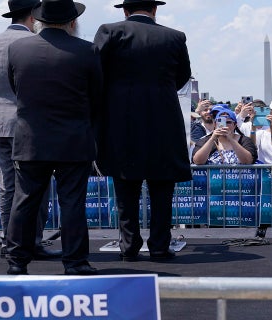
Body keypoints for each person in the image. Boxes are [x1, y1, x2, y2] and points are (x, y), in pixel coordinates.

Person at [6, 0, 101, 276]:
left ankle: (16, 261)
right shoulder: (87, 51)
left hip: (31, 138)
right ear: (72, 23)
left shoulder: (18, 48)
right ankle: (75, 262)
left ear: (38, 21)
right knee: (72, 202)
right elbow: (97, 97)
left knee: (24, 201)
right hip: (73, 139)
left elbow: (16, 89)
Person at [94, 0, 191, 262]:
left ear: (125, 10)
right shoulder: (174, 37)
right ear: (155, 9)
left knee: (126, 191)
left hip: (122, 122)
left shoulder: (109, 32)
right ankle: (159, 246)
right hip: (164, 121)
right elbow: (182, 76)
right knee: (162, 191)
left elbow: (96, 73)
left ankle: (129, 245)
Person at [0, 0, 62, 261]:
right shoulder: (33, 43)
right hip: (27, 123)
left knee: (8, 186)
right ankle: (32, 242)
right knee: (35, 186)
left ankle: (9, 241)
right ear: (33, 16)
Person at [191, 109, 257, 165]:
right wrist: (212, 139)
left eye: (228, 122)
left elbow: (248, 161)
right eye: (220, 122)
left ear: (234, 125)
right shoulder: (205, 140)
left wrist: (230, 139)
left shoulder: (244, 140)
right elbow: (197, 161)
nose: (225, 125)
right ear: (215, 124)